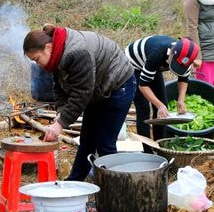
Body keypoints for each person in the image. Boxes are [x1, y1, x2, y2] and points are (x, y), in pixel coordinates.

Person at [23, 24, 135, 181]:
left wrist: (60, 124)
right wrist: (61, 111)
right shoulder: (56, 54)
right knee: (87, 139)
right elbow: (59, 87)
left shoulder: (76, 52)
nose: (38, 64)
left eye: (37, 59)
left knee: (105, 143)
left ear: (48, 47)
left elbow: (82, 93)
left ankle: (114, 191)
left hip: (118, 84)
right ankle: (74, 182)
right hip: (96, 88)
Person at [125, 36, 200, 150]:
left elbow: (183, 79)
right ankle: (146, 149)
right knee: (144, 107)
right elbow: (143, 85)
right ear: (172, 54)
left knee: (163, 104)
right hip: (133, 65)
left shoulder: (186, 58)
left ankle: (159, 145)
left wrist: (181, 100)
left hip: (153, 65)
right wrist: (159, 105)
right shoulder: (157, 54)